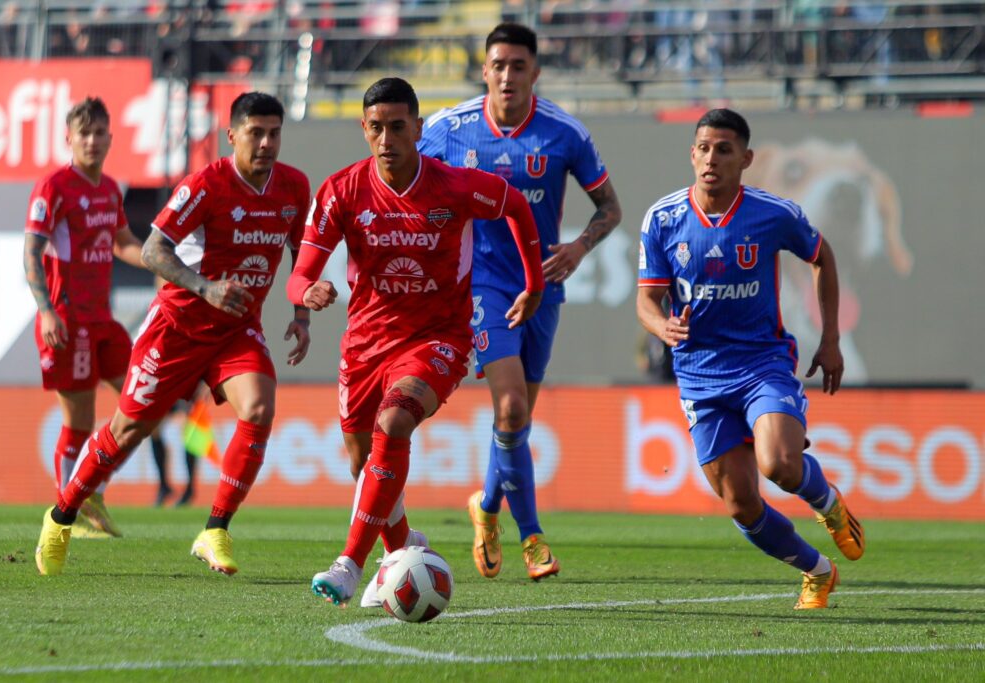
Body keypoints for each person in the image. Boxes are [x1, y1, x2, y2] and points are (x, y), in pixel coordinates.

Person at [286, 77, 544, 607]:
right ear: (364, 129)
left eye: (398, 127)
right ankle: (404, 549)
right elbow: (298, 274)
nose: (387, 138)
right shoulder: (340, 191)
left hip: (438, 336)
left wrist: (533, 283)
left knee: (394, 421)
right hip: (364, 343)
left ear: (418, 129)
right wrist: (307, 290)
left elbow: (516, 204)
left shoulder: (454, 186)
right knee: (366, 466)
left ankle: (350, 566)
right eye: (376, 127)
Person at [35, 91, 312, 576]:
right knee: (128, 429)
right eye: (256, 133)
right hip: (178, 327)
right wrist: (204, 288)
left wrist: (302, 311)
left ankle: (215, 530)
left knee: (261, 407)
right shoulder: (206, 185)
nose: (267, 143)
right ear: (232, 137)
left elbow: (300, 254)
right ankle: (60, 517)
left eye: (274, 133)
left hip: (236, 329)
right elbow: (153, 251)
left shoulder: (293, 187)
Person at [635, 108, 865, 609]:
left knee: (780, 463)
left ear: (746, 158)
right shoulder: (663, 218)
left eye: (724, 149)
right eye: (703, 148)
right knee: (742, 504)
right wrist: (661, 325)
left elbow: (822, 257)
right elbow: (647, 301)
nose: (711, 158)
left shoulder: (772, 213)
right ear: (691, 154)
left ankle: (827, 504)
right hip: (698, 375)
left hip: (762, 363)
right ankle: (817, 571)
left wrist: (830, 340)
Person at [418, 23, 622, 582]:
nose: (507, 76)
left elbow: (610, 208)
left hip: (543, 286)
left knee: (518, 419)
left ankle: (485, 509)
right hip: (481, 284)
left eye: (518, 66)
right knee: (509, 409)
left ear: (536, 72)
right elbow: (403, 183)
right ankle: (532, 537)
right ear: (484, 71)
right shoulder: (446, 129)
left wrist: (579, 247)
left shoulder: (563, 134)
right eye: (498, 65)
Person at [24, 96, 145, 540]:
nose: (92, 141)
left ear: (111, 138)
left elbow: (123, 242)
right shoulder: (54, 187)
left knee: (146, 403)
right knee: (78, 419)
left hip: (103, 321)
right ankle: (67, 510)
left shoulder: (110, 189)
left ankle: (89, 488)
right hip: (67, 320)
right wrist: (46, 310)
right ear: (68, 139)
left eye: (99, 133)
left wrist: (163, 263)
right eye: (84, 134)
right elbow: (32, 251)